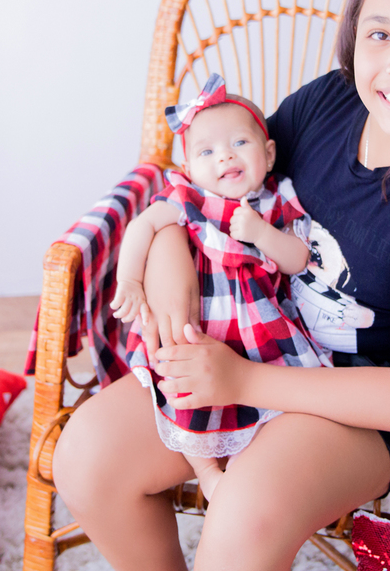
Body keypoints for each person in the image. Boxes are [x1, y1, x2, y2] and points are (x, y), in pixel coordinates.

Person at [53, 0, 390, 571]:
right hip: (250, 341)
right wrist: (170, 257)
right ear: (353, 35)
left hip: (359, 407)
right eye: (380, 35)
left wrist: (242, 380)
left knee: (249, 505)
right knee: (89, 454)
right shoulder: (328, 103)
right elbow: (215, 194)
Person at [109, 72, 330, 500]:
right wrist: (130, 280)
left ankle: (262, 463)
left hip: (261, 325)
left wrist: (261, 233)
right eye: (207, 151)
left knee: (282, 399)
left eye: (239, 144)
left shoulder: (276, 199)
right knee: (182, 394)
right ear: (189, 169)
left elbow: (299, 259)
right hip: (200, 328)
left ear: (268, 153)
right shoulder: (187, 199)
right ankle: (207, 471)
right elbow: (141, 227)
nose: (225, 157)